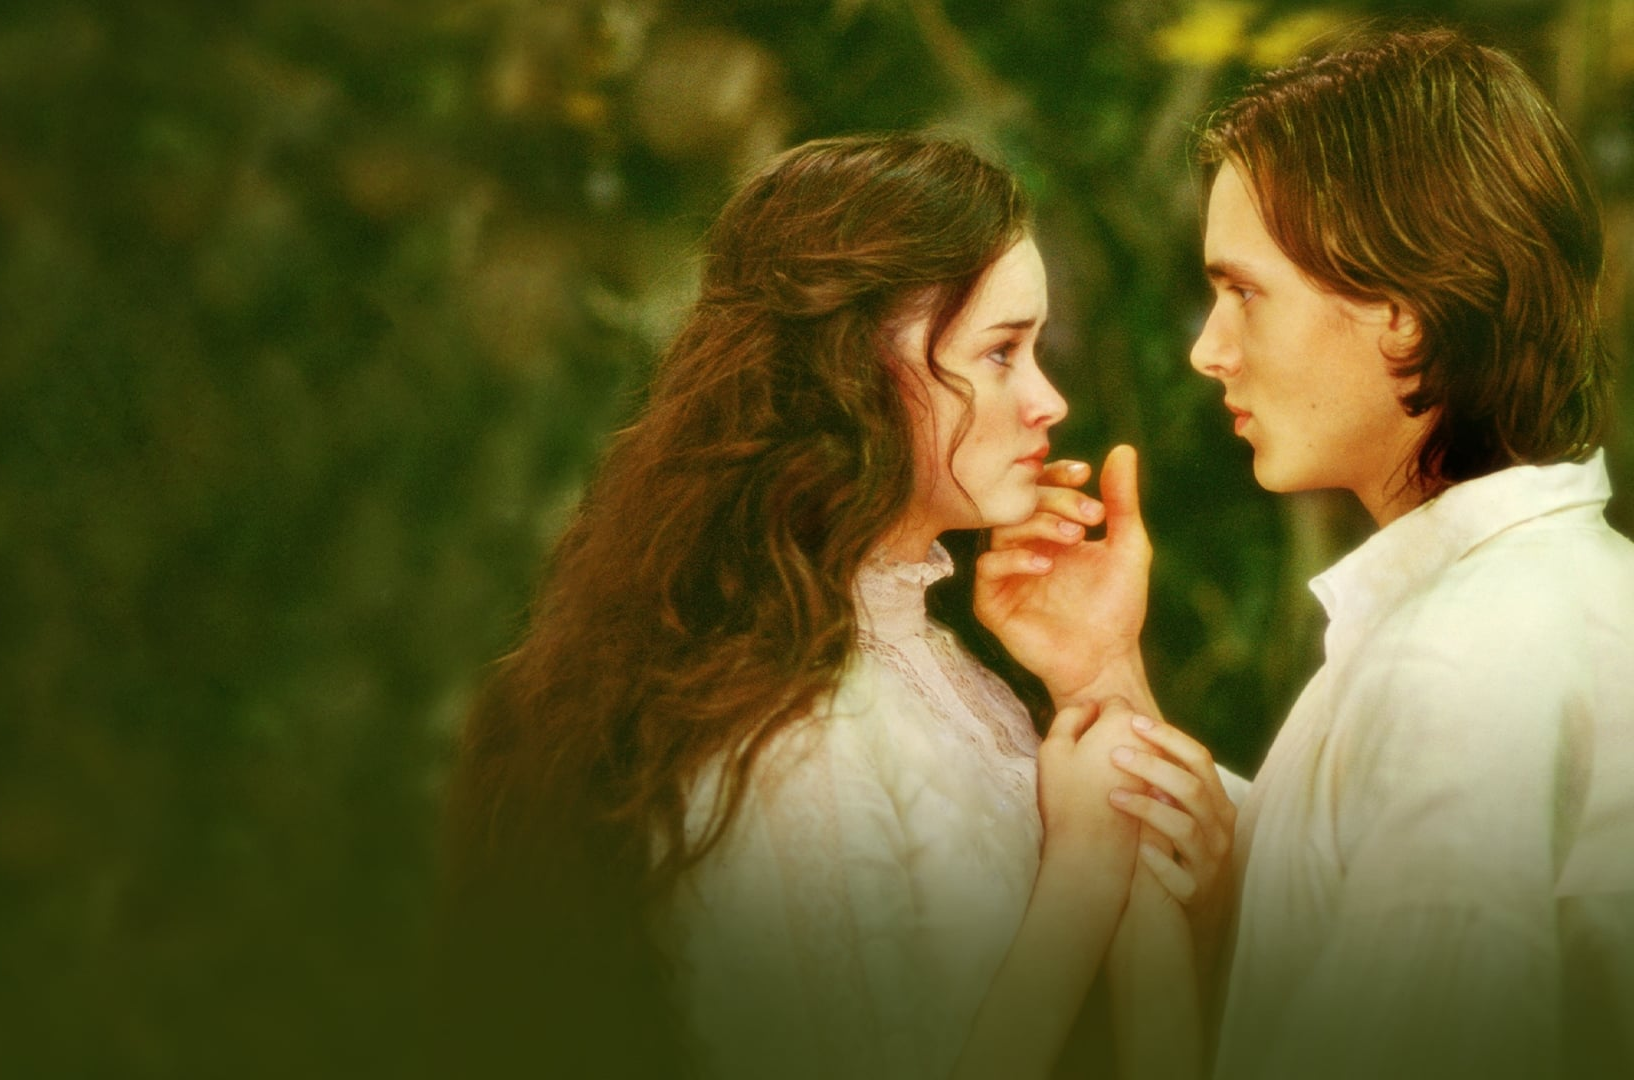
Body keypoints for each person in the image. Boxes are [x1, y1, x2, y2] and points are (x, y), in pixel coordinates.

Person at [434, 133, 1237, 1080]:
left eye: (1034, 350)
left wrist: (1099, 666)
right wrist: (1083, 877)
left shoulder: (923, 656)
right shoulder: (778, 736)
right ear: (855, 371)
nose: (1047, 400)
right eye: (1000, 352)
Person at [1181, 26, 1634, 1078]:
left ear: (1403, 312)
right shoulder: (1551, 600)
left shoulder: (1464, 664)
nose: (1209, 349)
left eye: (1244, 292)